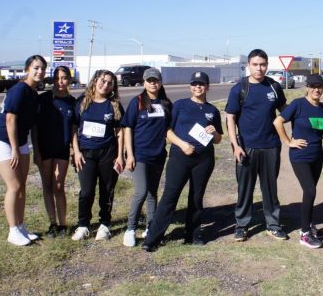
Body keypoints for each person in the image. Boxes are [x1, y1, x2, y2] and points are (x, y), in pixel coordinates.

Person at [142, 71, 223, 251]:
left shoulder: (212, 110)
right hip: (180, 156)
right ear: (190, 87)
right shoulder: (180, 105)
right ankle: (153, 238)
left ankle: (192, 235)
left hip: (204, 159)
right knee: (170, 196)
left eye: (201, 84)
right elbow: (167, 131)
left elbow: (218, 140)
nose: (198, 87)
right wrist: (182, 144)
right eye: (194, 84)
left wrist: (214, 132)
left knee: (196, 197)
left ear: (207, 87)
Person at [225, 49, 287, 242]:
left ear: (267, 65)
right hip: (246, 148)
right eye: (255, 64)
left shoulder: (274, 87)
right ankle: (242, 225)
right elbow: (230, 118)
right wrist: (235, 145)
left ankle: (273, 225)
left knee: (270, 189)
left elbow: (285, 111)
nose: (259, 68)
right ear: (248, 66)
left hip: (270, 146)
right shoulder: (239, 89)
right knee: (245, 189)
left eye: (262, 64)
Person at [0, 55, 45, 246]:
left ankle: (21, 227)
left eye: (42, 68)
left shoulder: (33, 93)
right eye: (36, 68)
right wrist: (14, 149)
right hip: (3, 142)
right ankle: (13, 231)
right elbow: (10, 120)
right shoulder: (19, 90)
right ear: (28, 69)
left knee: (22, 186)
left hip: (20, 142)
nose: (39, 71)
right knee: (13, 186)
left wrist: (26, 148)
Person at [274, 74, 323, 249]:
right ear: (307, 87)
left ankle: (309, 224)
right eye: (313, 86)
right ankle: (304, 234)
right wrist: (288, 141)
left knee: (310, 193)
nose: (316, 90)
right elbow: (278, 122)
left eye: (319, 86)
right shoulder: (298, 104)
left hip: (317, 156)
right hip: (300, 156)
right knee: (310, 190)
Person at [71, 70, 125, 241]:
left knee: (106, 190)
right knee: (86, 191)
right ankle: (83, 225)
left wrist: (120, 156)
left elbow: (119, 132)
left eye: (110, 83)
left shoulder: (114, 105)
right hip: (86, 153)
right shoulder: (82, 102)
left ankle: (104, 224)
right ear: (95, 81)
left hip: (107, 153)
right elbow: (74, 128)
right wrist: (76, 152)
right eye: (102, 81)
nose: (105, 85)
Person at [121, 68, 172, 247]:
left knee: (152, 193)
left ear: (160, 82)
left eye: (156, 80)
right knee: (141, 192)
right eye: (149, 80)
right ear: (144, 83)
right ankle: (130, 228)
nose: (153, 83)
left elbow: (170, 128)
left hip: (158, 155)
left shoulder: (166, 103)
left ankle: (151, 227)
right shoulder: (137, 102)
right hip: (140, 155)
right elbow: (128, 128)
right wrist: (129, 155)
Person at [33, 65, 76, 238]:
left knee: (58, 186)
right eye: (57, 78)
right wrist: (36, 151)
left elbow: (74, 130)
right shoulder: (43, 99)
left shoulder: (73, 102)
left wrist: (75, 150)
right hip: (44, 148)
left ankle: (63, 224)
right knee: (47, 186)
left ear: (70, 80)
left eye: (64, 78)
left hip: (62, 149)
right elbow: (35, 127)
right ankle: (52, 223)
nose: (60, 82)